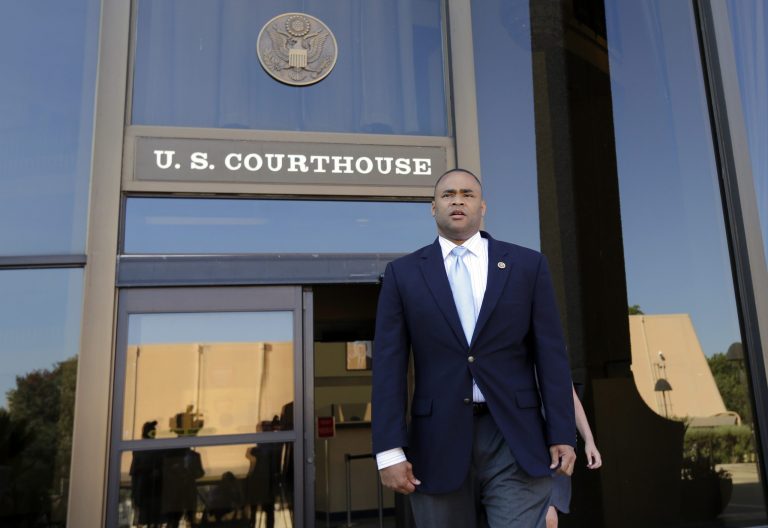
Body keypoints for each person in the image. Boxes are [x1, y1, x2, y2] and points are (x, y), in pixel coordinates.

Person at [372, 168, 577, 528]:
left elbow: (551, 357)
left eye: (467, 194)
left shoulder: (527, 266)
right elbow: (388, 367)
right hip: (437, 441)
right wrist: (388, 451)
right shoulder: (402, 274)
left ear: (483, 207)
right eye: (448, 194)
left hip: (513, 435)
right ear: (432, 208)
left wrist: (562, 432)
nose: (457, 200)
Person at [546, 386, 602, 528]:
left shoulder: (554, 366)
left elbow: (570, 396)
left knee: (549, 518)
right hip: (522, 439)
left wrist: (589, 440)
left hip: (554, 440)